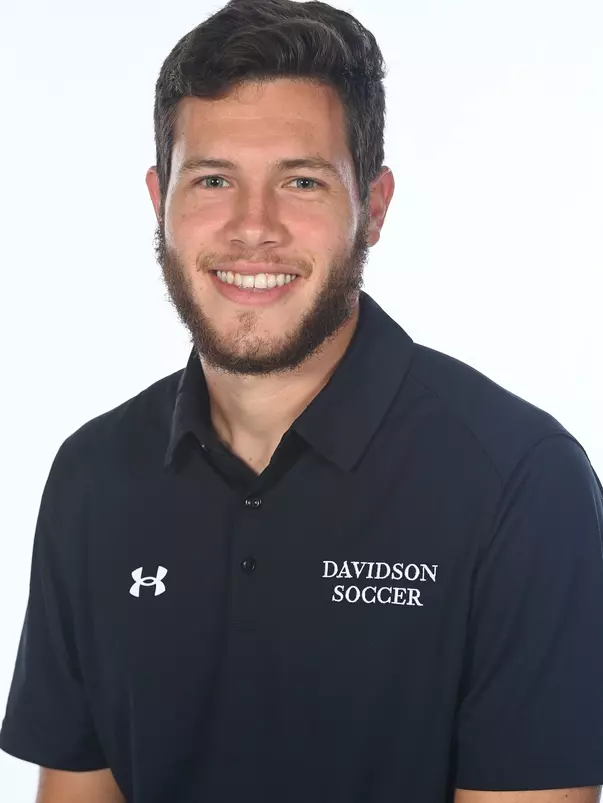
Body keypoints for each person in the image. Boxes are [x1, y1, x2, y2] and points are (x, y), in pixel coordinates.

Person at [1, 0, 603, 801]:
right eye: (213, 179)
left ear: (374, 208)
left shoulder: (520, 486)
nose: (254, 228)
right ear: (160, 202)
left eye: (302, 182)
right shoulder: (92, 476)